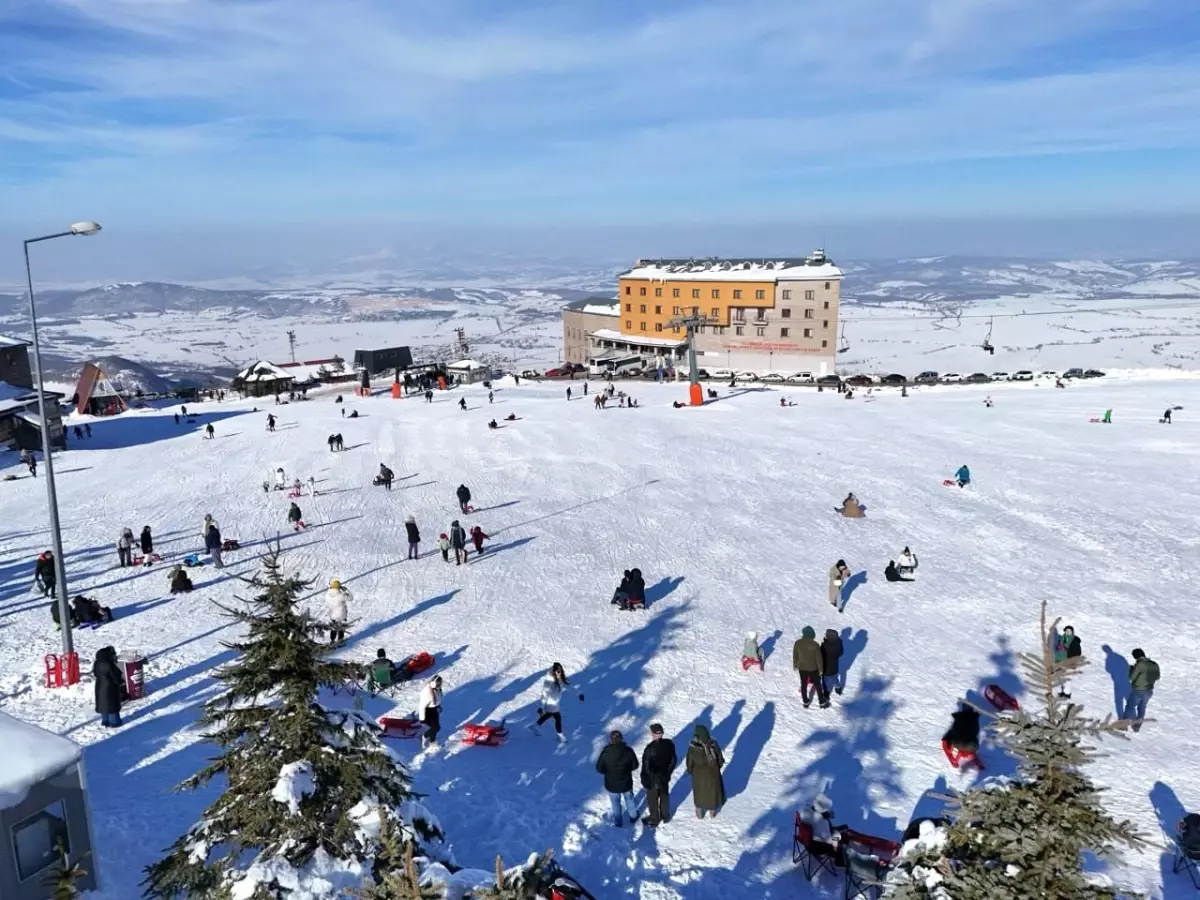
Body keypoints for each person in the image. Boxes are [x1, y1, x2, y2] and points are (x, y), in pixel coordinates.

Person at [595, 730, 639, 827]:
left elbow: (599, 768)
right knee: (629, 799)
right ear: (621, 739)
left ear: (611, 740)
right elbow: (635, 765)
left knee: (615, 802)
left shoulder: (606, 752)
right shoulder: (628, 751)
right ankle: (633, 816)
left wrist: (607, 772)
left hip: (611, 783)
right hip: (626, 782)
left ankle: (618, 821)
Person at [530, 662, 582, 742]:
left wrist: (578, 694)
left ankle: (535, 726)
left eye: (560, 671)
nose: (559, 673)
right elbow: (544, 695)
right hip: (550, 704)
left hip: (556, 704)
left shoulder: (561, 680)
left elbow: (570, 687)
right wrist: (541, 706)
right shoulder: (548, 682)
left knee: (547, 716)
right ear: (554, 671)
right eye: (558, 671)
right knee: (558, 718)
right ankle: (560, 736)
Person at [685, 724, 726, 819]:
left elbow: (689, 763)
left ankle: (699, 814)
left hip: (699, 776)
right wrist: (716, 768)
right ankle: (712, 812)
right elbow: (720, 759)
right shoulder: (713, 744)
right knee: (713, 794)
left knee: (700, 794)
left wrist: (691, 771)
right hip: (713, 773)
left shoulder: (693, 747)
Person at [641, 723, 677, 827]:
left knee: (652, 799)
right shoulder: (669, 744)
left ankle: (654, 818)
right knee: (664, 796)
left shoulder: (649, 749)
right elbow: (673, 761)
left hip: (653, 779)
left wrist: (647, 779)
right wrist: (668, 773)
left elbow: (646, 767)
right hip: (664, 777)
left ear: (653, 734)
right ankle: (665, 816)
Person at [799, 794, 844, 864]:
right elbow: (829, 840)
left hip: (806, 841)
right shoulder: (822, 822)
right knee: (839, 843)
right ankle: (840, 863)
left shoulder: (805, 809)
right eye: (827, 810)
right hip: (816, 847)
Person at [1123, 648, 1160, 732]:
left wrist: (1131, 669)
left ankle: (1123, 725)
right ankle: (1137, 726)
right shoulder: (1154, 664)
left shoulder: (1140, 664)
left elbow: (1131, 677)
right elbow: (1158, 677)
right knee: (1142, 708)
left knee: (1130, 706)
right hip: (1149, 690)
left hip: (1138, 689)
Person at [793, 626, 827, 709]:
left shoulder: (798, 643)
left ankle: (805, 701)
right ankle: (822, 702)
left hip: (802, 668)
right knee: (818, 685)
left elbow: (795, 655)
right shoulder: (815, 645)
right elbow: (819, 659)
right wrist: (821, 670)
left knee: (803, 684)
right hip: (813, 668)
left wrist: (795, 665)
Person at [93, 646, 127, 728]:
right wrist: (120, 682)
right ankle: (114, 722)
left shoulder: (97, 663)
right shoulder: (109, 664)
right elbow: (114, 676)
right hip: (110, 688)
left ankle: (105, 721)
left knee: (103, 705)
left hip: (99, 686)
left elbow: (95, 673)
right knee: (112, 706)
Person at [1054, 624, 1083, 698]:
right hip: (1059, 661)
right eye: (1067, 631)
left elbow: (1078, 652)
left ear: (1072, 632)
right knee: (1060, 677)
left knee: (1068, 678)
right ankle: (1061, 691)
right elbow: (1057, 650)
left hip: (1069, 662)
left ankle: (1067, 693)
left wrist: (1067, 650)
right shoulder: (1061, 639)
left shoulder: (1074, 641)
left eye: (1070, 631)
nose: (1068, 632)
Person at [418, 675, 443, 747]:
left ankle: (432, 741)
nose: (440, 685)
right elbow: (421, 706)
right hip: (428, 711)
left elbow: (438, 697)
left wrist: (438, 706)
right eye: (439, 683)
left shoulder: (436, 689)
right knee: (436, 728)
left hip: (434, 709)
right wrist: (422, 719)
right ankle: (424, 736)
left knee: (435, 727)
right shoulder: (428, 693)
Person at [326, 579, 351, 646]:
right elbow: (351, 598)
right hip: (341, 615)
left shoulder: (328, 595)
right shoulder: (341, 595)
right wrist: (346, 590)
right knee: (341, 628)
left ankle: (332, 641)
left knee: (333, 628)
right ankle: (340, 641)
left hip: (333, 615)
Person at [821, 628, 844, 697]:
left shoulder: (824, 645)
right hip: (834, 668)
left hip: (825, 669)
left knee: (825, 682)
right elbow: (841, 652)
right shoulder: (838, 644)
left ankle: (826, 694)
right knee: (835, 679)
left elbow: (820, 655)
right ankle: (838, 689)